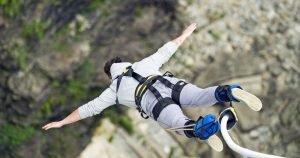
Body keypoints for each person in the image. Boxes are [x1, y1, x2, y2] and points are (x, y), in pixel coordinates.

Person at [42, 23, 262, 140]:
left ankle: (202, 128)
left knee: (180, 125)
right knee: (200, 96)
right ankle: (227, 92)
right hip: (173, 85)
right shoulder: (142, 64)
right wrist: (185, 34)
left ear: (111, 74)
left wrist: (61, 122)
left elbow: (88, 109)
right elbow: (167, 49)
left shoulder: (113, 91)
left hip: (156, 105)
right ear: (123, 63)